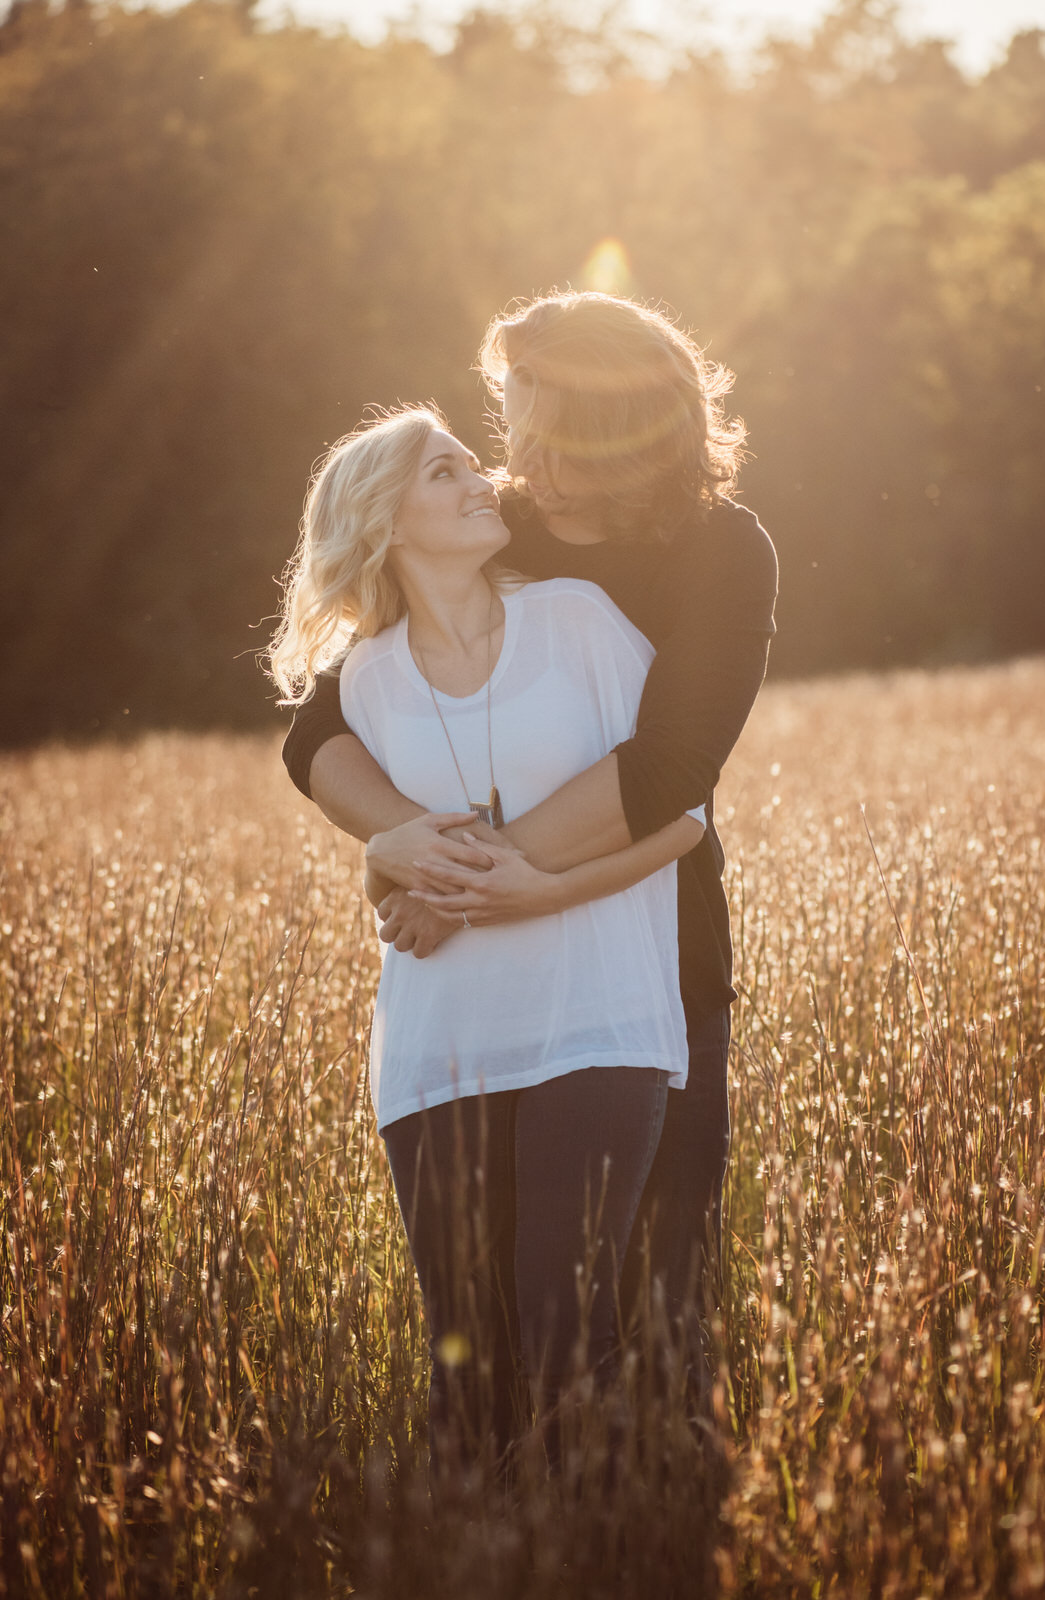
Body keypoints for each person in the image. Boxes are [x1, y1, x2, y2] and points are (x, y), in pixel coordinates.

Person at [282, 292, 778, 1350]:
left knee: (656, 1301)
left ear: (617, 425)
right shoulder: (499, 524)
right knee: (492, 1320)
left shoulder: (721, 550)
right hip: (482, 995)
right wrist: (403, 838)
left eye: (542, 429)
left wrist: (470, 879)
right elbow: (320, 728)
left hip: (660, 963)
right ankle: (499, 1511)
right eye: (510, 423)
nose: (517, 457)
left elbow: (673, 765)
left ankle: (643, 1510)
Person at [270, 405, 707, 1474]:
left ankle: (608, 1553)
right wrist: (393, 861)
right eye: (446, 471)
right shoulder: (366, 685)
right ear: (385, 522)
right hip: (436, 1046)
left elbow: (684, 820)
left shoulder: (581, 621)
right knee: (468, 1368)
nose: (484, 480)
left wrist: (530, 894)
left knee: (567, 1333)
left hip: (597, 1021)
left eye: (474, 462)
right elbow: (384, 861)